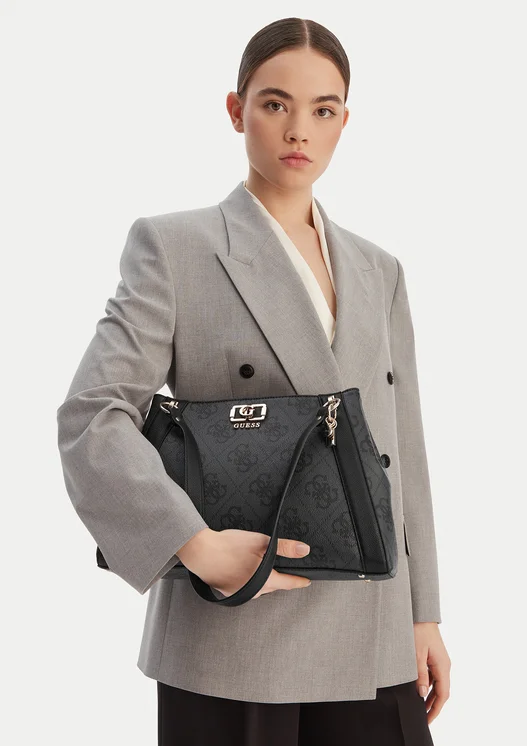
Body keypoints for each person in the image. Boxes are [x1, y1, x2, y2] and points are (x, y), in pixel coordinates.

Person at [56, 16, 451, 746]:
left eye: (323, 110)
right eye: (275, 104)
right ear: (237, 110)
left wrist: (423, 613)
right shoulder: (176, 246)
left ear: (344, 122)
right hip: (233, 630)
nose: (299, 130)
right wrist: (193, 544)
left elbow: (403, 450)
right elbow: (93, 414)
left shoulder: (379, 269)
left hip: (373, 630)